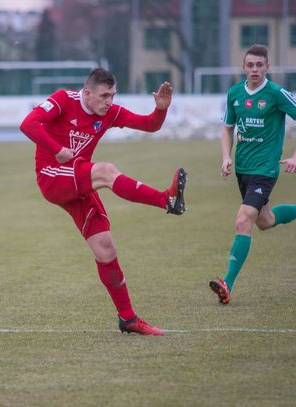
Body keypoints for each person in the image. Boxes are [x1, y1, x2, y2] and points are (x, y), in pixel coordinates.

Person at [20, 68, 186, 336]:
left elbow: (150, 125)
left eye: (113, 95)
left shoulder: (110, 113)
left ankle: (128, 319)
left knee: (106, 248)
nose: (109, 101)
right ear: (87, 93)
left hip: (78, 180)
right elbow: (28, 124)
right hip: (52, 176)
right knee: (106, 171)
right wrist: (57, 150)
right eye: (104, 95)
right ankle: (166, 200)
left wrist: (161, 109)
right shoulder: (63, 100)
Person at [209, 44, 296, 305]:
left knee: (243, 221)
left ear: (267, 67)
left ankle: (227, 283)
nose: (254, 69)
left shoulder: (276, 93)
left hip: (265, 170)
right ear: (243, 67)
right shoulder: (235, 93)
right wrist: (226, 156)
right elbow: (227, 127)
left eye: (259, 65)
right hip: (243, 169)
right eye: (250, 65)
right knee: (265, 220)